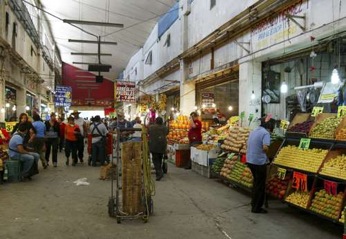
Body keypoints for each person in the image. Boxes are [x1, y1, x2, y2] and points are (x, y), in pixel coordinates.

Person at [246, 117, 272, 214]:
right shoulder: (265, 133)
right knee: (260, 185)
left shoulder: (254, 131)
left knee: (256, 183)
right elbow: (265, 147)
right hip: (259, 162)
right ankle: (257, 208)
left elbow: (247, 144)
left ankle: (253, 203)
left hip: (250, 160)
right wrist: (268, 153)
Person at [148, 117, 168, 181]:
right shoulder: (165, 128)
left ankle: (159, 173)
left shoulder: (151, 127)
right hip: (162, 145)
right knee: (160, 158)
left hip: (154, 145)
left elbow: (148, 132)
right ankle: (159, 172)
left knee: (155, 160)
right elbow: (167, 133)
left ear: (156, 121)